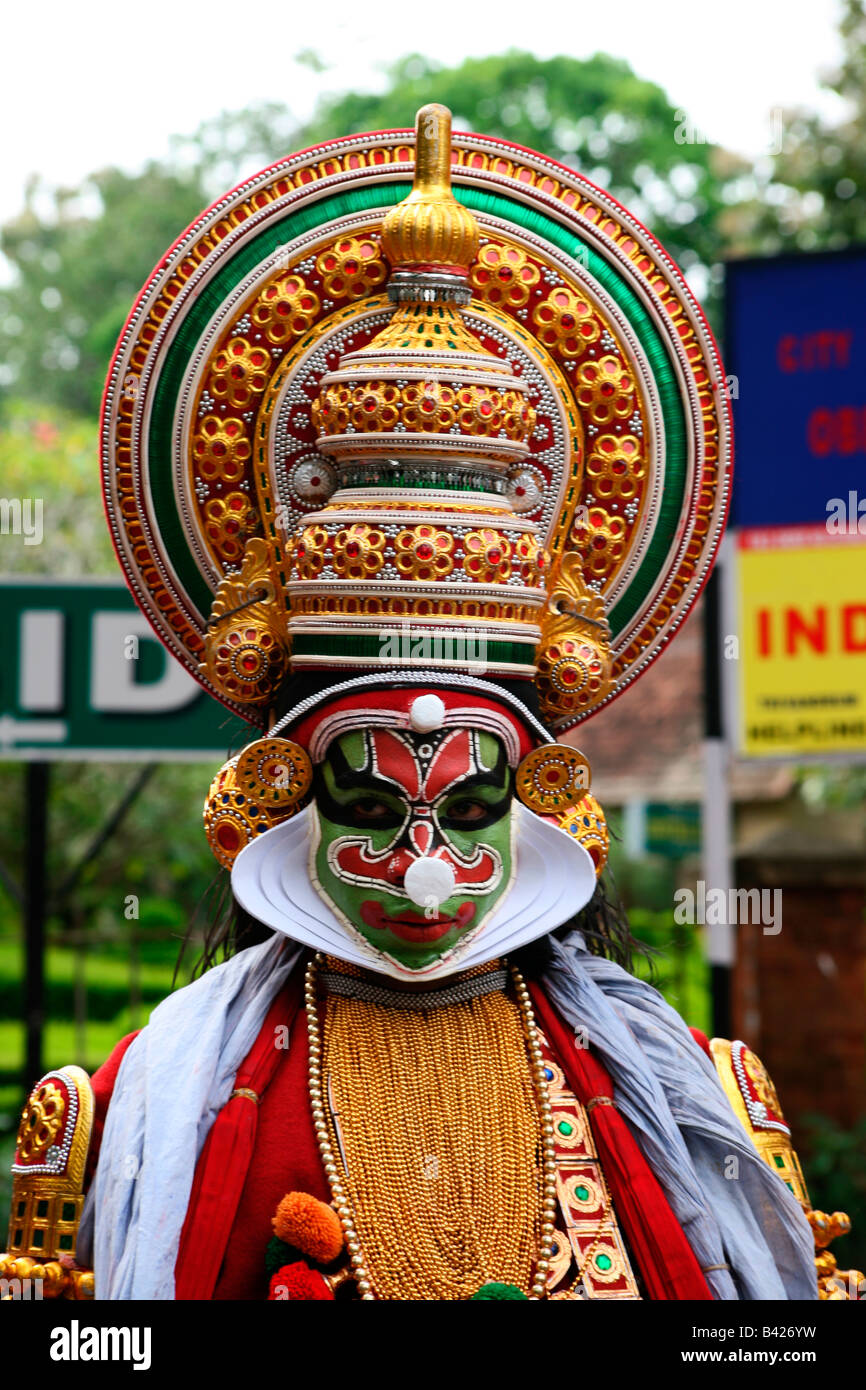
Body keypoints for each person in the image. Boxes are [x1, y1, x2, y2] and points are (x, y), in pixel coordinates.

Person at [2, 105, 855, 1302]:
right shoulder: (140, 1113)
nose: (422, 870)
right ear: (280, 791)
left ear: (540, 799)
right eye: (369, 802)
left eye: (465, 810)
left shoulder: (694, 1101)